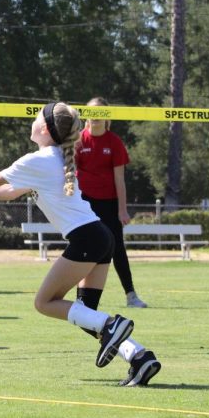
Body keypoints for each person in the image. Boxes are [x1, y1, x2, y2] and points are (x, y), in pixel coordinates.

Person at [0, 102, 161, 386]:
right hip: (102, 237)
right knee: (85, 314)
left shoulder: (38, 159)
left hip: (88, 239)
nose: (32, 120)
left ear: (44, 128)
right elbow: (7, 191)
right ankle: (140, 357)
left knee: (44, 303)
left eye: (36, 116)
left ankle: (112, 325)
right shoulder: (49, 160)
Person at [76, 97, 147, 308]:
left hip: (109, 203)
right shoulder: (79, 141)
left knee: (117, 249)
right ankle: (81, 299)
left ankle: (131, 295)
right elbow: (69, 173)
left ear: (108, 117)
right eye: (92, 112)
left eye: (101, 112)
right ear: (85, 116)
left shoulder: (114, 142)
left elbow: (119, 180)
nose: (96, 116)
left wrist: (122, 210)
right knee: (84, 248)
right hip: (85, 202)